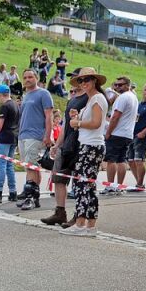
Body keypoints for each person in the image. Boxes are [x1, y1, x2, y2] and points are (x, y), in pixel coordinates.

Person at [64, 68, 108, 237]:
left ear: (94, 80)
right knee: (86, 185)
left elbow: (96, 123)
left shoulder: (97, 98)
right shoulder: (93, 99)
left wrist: (78, 123)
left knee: (83, 185)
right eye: (81, 81)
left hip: (91, 146)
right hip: (89, 145)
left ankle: (82, 223)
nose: (83, 83)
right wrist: (77, 117)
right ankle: (89, 225)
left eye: (87, 79)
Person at [43, 69, 89, 227]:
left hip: (80, 144)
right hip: (67, 144)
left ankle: (78, 216)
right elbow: (64, 126)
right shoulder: (72, 99)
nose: (75, 80)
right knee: (59, 178)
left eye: (78, 78)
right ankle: (60, 212)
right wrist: (57, 144)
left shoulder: (90, 98)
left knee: (78, 182)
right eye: (73, 78)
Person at [15, 69, 54, 210]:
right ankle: (34, 196)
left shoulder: (43, 93)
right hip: (23, 135)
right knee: (30, 167)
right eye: (25, 77)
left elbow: (48, 116)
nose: (27, 79)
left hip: (36, 135)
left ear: (36, 78)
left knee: (32, 165)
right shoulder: (26, 96)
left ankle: (30, 197)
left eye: (30, 77)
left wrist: (48, 135)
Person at [102, 75, 137, 195]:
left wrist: (108, 132)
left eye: (120, 85)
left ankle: (111, 186)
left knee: (111, 160)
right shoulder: (133, 97)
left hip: (117, 132)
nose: (117, 87)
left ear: (127, 85)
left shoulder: (122, 98)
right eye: (116, 85)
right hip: (127, 133)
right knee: (121, 160)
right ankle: (119, 185)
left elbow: (115, 116)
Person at [0, 84, 18, 201]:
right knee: (9, 165)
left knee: (1, 164)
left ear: (1, 94)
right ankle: (13, 191)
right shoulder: (16, 105)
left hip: (5, 137)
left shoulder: (5, 106)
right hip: (14, 138)